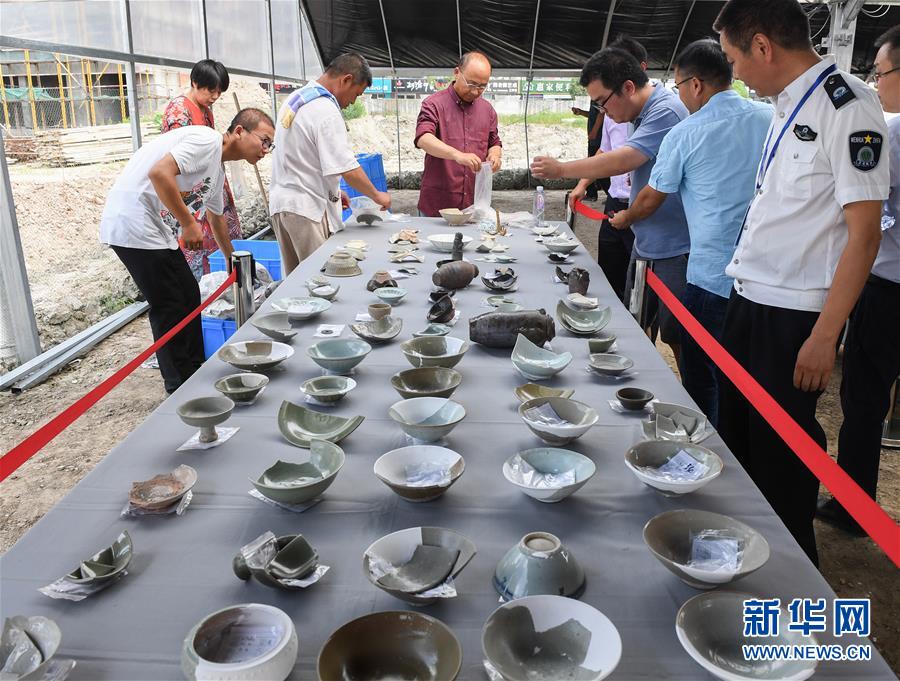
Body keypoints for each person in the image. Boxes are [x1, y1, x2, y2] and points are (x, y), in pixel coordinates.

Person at [713, 0, 888, 564]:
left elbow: (864, 236)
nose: (733, 71)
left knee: (781, 462)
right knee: (739, 449)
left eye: (733, 58)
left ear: (762, 46)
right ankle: (743, 567)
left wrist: (824, 334)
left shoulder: (849, 106)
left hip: (792, 320)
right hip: (750, 301)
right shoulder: (787, 101)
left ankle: (790, 597)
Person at [609, 39, 773, 425]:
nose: (679, 94)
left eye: (680, 85)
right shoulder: (769, 117)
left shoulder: (686, 131)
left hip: (710, 273)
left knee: (704, 378)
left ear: (695, 84)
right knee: (748, 377)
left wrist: (627, 218)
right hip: (760, 275)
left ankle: (713, 454)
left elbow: (651, 198)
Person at [531, 47, 691, 361]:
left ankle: (694, 403)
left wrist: (562, 169)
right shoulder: (637, 112)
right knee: (634, 318)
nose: (603, 111)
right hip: (647, 240)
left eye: (603, 101)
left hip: (675, 245)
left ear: (628, 87)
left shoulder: (667, 110)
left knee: (677, 336)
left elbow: (626, 159)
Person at [100, 108, 275, 394]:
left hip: (154, 228)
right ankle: (178, 384)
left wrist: (234, 260)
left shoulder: (216, 169)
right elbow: (159, 173)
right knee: (169, 304)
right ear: (240, 132)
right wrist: (187, 223)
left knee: (189, 295)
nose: (266, 150)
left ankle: (193, 371)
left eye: (270, 145)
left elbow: (217, 218)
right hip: (133, 221)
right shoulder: (206, 141)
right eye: (264, 140)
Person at [817, 25, 900, 535]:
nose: (877, 81)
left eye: (882, 71)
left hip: (888, 286)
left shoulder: (891, 133)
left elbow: (865, 213)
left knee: (865, 398)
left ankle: (852, 506)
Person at [269, 53, 390, 275]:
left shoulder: (297, 98)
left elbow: (303, 156)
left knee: (295, 279)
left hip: (284, 205)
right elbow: (347, 167)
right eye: (356, 93)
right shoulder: (325, 110)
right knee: (319, 280)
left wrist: (332, 191)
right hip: (306, 210)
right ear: (345, 79)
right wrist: (377, 195)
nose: (353, 101)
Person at [570, 35, 648, 301]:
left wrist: (560, 169)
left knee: (640, 293)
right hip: (615, 203)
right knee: (609, 281)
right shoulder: (612, 110)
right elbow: (604, 151)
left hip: (643, 208)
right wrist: (582, 184)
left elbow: (624, 159)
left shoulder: (659, 111)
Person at [161, 59, 242, 281]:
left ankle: (222, 282)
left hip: (208, 183)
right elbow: (175, 166)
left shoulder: (205, 108)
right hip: (190, 190)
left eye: (219, 92)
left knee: (219, 238)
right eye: (211, 90)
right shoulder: (178, 113)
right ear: (195, 82)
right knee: (195, 250)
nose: (215, 96)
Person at [415, 51, 503, 217]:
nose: (476, 91)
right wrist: (457, 155)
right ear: (457, 73)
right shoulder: (433, 104)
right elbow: (423, 138)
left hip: (473, 208)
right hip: (437, 207)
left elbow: (494, 142)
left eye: (482, 86)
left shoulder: (488, 110)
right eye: (471, 84)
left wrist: (495, 156)